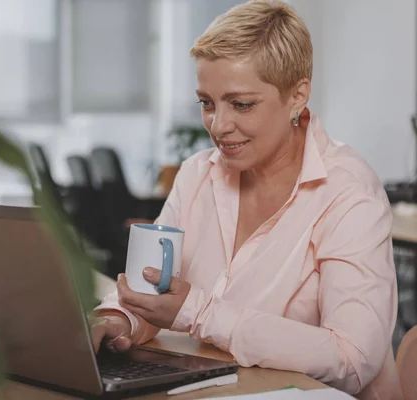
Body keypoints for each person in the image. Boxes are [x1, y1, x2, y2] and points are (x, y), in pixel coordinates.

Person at [89, 1, 402, 398]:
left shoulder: (349, 193)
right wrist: (120, 318)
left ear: (297, 95)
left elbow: (354, 359)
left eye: (241, 104)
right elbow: (154, 292)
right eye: (207, 102)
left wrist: (202, 315)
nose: (218, 126)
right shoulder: (198, 174)